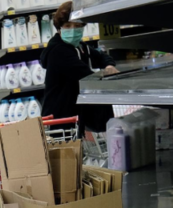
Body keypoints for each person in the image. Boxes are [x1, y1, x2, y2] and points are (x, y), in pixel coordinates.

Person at [41, 1, 120, 134]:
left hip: (75, 117)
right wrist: (107, 76)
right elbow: (86, 76)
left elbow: (102, 56)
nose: (73, 30)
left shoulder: (80, 46)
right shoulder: (58, 51)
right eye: (68, 25)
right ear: (59, 28)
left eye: (77, 26)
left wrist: (109, 65)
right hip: (60, 119)